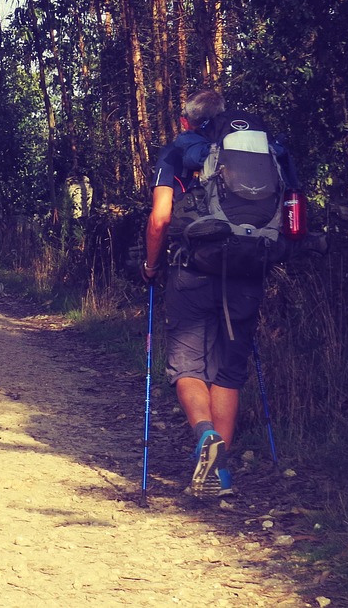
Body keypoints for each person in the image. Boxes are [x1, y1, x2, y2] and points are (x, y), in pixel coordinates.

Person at [142, 89, 275, 499]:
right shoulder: (265, 151)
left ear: (187, 121)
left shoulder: (179, 152)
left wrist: (150, 265)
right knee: (229, 370)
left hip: (193, 270)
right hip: (249, 266)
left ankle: (204, 436)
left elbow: (161, 216)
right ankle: (219, 475)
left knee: (187, 367)